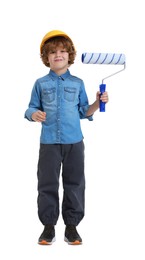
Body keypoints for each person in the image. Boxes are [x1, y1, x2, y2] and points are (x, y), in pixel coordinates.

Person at [24, 30, 109, 245]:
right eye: (52, 52)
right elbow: (31, 108)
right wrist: (33, 114)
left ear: (69, 55)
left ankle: (71, 226)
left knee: (75, 183)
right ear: (46, 57)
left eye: (62, 51)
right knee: (47, 184)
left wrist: (98, 104)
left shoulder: (78, 83)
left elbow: (84, 112)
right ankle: (48, 227)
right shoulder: (40, 83)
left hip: (74, 143)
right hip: (49, 143)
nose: (58, 55)